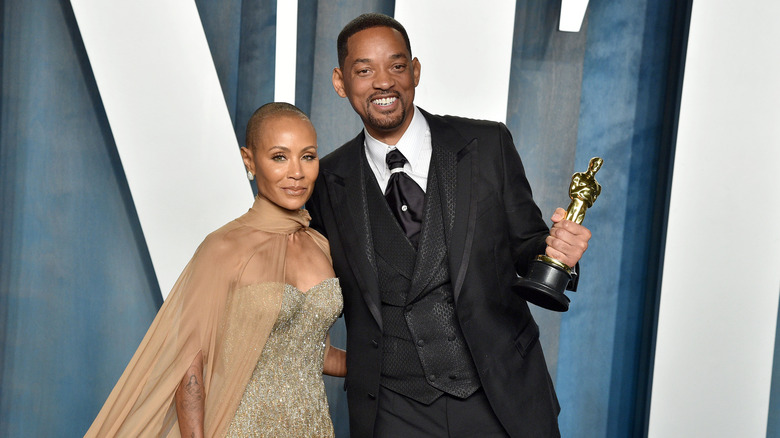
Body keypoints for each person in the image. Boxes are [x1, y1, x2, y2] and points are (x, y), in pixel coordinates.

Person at [307, 13, 591, 437]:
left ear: (415, 71)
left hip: (498, 395)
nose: (383, 82)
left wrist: (558, 253)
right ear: (340, 81)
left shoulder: (487, 146)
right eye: (364, 70)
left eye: (397, 66)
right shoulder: (325, 181)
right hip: (392, 410)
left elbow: (528, 244)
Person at [85, 102, 346, 437]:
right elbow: (189, 368)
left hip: (313, 428)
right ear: (250, 161)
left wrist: (393, 363)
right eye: (279, 157)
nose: (296, 172)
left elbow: (312, 351)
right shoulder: (222, 248)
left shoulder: (320, 245)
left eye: (307, 156)